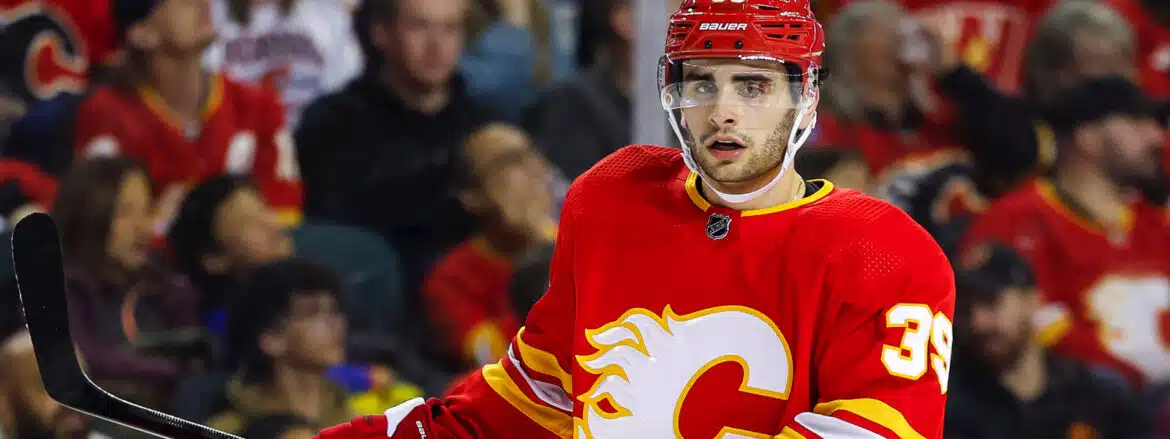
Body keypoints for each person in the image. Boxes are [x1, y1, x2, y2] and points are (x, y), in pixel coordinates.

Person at [315, 0, 955, 438]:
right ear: (671, 95)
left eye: (753, 86)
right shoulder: (616, 198)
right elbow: (533, 402)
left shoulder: (886, 250)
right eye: (702, 83)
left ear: (807, 100)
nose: (723, 111)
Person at [962, 76, 1170, 389]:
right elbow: (1019, 333)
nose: (1157, 138)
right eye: (1137, 123)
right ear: (1087, 137)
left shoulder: (1155, 223)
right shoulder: (1015, 222)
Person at [73, 0, 304, 229]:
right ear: (141, 33)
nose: (201, 2)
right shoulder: (107, 116)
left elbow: (284, 218)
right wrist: (158, 224)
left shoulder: (258, 106)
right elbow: (98, 233)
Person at [945, 243, 1147, 439]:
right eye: (965, 309)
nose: (978, 322)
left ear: (1032, 300)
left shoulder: (1094, 394)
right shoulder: (948, 407)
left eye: (990, 302)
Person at [51, 157, 202, 407]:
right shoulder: (59, 288)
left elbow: (196, 361)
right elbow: (87, 359)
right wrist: (170, 370)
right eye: (125, 212)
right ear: (89, 214)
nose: (144, 228)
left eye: (148, 211)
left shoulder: (166, 288)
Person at [423, 123, 557, 368]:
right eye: (508, 163)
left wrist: (550, 247)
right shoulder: (450, 280)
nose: (533, 170)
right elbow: (491, 361)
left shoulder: (579, 244)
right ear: (472, 197)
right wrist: (542, 256)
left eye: (531, 155)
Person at [208, 258, 351, 433]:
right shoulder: (230, 429)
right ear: (271, 339)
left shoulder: (353, 417)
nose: (335, 324)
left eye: (334, 311)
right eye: (312, 313)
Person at [202, 0, 364, 127]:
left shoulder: (326, 14)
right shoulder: (208, 16)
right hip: (239, 148)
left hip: (316, 143)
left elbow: (348, 100)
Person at [167, 174, 294, 318]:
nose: (270, 223)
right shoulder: (223, 328)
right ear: (213, 259)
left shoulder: (310, 292)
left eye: (264, 209)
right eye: (246, 221)